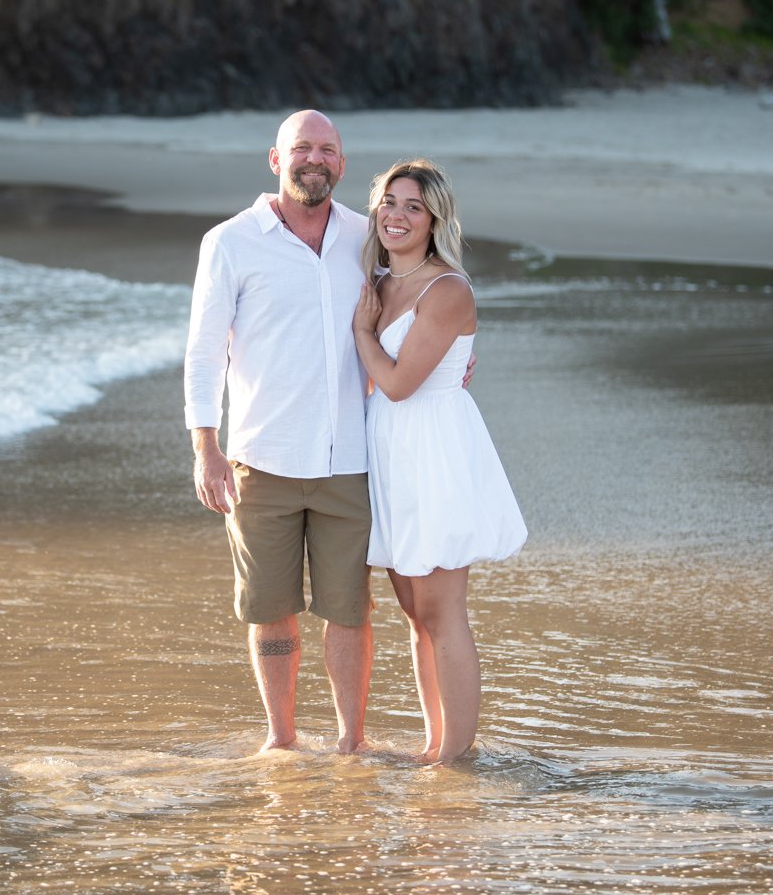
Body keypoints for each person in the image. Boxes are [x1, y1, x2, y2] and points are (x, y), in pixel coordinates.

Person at [184, 110, 375, 754]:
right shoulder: (231, 242)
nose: (313, 159)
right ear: (276, 159)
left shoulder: (367, 236)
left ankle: (352, 742)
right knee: (270, 607)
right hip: (259, 459)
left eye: (327, 149)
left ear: (342, 164)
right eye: (302, 148)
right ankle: (282, 739)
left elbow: (415, 305)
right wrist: (205, 448)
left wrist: (458, 353)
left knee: (348, 609)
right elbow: (205, 352)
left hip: (349, 457)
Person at [351, 158, 527, 764]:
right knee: (412, 612)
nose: (397, 216)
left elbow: (399, 384)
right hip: (389, 452)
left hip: (434, 450)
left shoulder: (447, 288)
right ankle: (434, 743)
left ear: (434, 220)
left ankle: (455, 753)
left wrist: (363, 335)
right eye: (389, 203)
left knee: (441, 609)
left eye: (413, 207)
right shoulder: (376, 280)